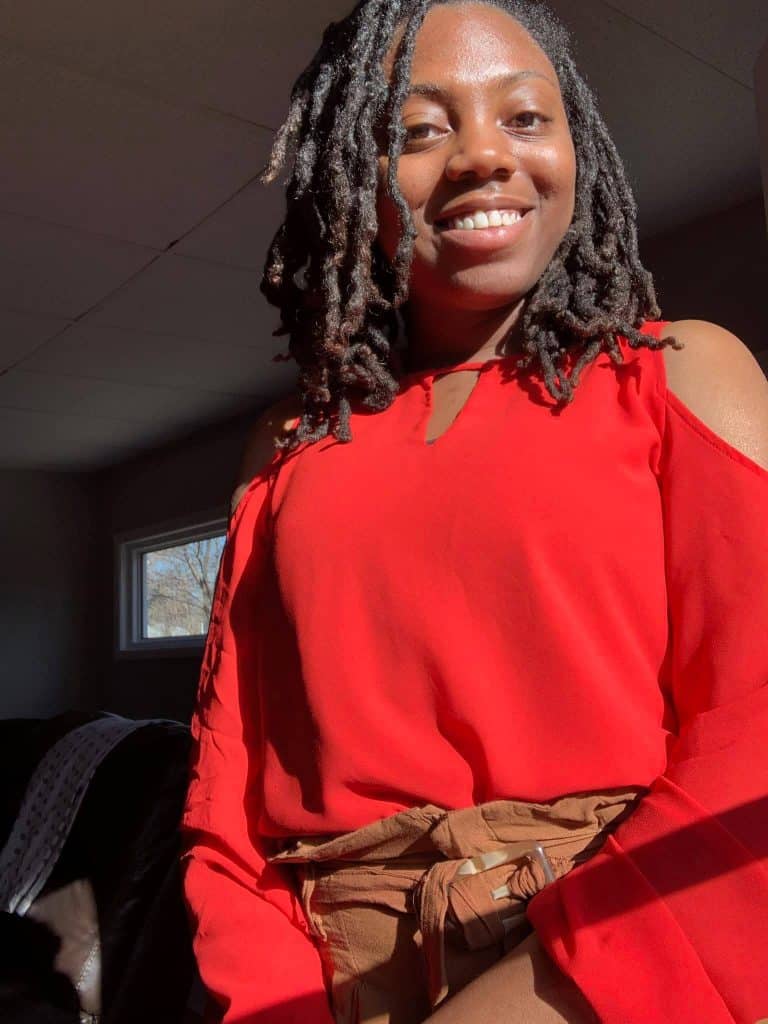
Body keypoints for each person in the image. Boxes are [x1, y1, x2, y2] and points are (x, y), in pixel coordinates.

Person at [180, 1, 768, 1022]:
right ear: (351, 175)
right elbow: (228, 800)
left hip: (622, 970)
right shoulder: (289, 445)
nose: (486, 155)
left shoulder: (681, 373)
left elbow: (754, 736)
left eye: (526, 117)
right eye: (418, 129)